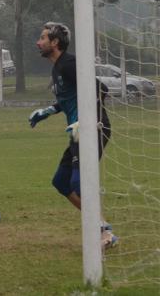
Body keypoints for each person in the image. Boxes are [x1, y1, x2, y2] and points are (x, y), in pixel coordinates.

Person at [30, 22, 116, 248]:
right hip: (79, 132)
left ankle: (104, 232)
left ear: (55, 42)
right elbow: (68, 98)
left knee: (79, 182)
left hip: (94, 128)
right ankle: (101, 227)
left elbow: (100, 90)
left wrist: (85, 121)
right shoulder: (57, 66)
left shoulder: (69, 64)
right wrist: (47, 111)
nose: (38, 42)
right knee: (61, 182)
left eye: (42, 38)